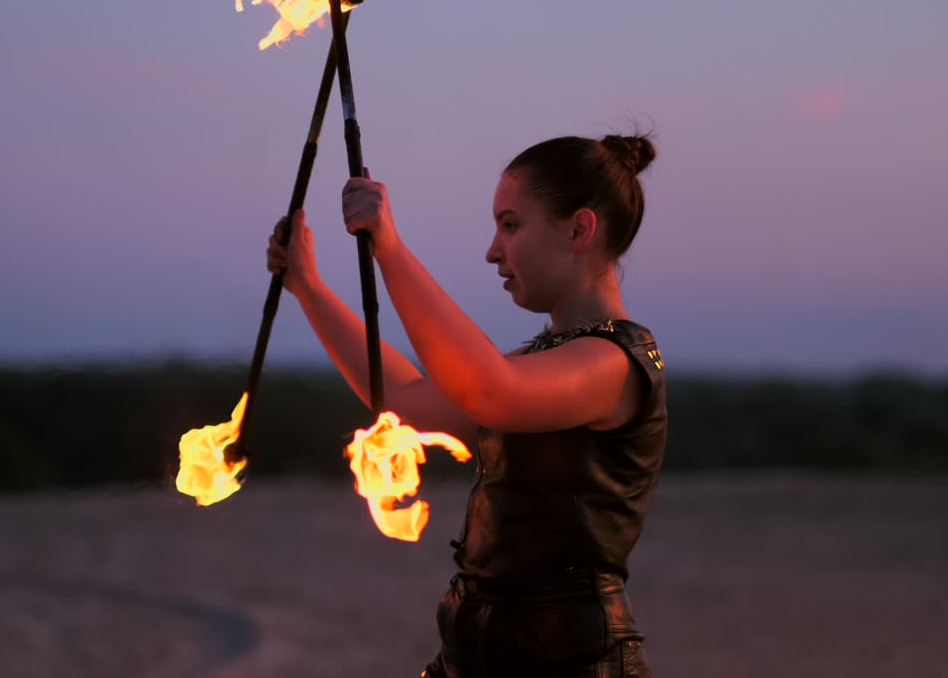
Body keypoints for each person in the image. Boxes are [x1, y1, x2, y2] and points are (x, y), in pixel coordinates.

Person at [267, 134, 666, 677]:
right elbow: (408, 404)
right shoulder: (546, 360)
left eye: (510, 225)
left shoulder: (613, 363)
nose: (493, 250)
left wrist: (389, 248)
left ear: (579, 229)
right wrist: (310, 288)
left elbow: (487, 389)